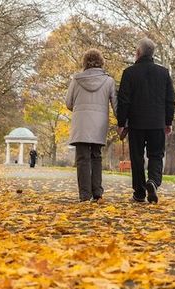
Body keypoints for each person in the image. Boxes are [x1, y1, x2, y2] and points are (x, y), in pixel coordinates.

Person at [117, 38, 175, 204]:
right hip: (157, 122)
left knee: (137, 158)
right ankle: (153, 181)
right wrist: (168, 121)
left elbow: (124, 100)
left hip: (136, 123)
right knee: (156, 155)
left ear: (138, 52)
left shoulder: (129, 73)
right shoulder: (163, 73)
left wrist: (122, 123)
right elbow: (170, 99)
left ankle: (139, 192)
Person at [66, 49, 117, 202]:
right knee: (96, 156)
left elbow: (69, 103)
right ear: (101, 62)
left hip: (81, 123)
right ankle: (97, 192)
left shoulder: (76, 80)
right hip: (99, 123)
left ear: (85, 62)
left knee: (82, 159)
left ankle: (84, 194)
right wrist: (122, 122)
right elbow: (115, 104)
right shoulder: (109, 81)